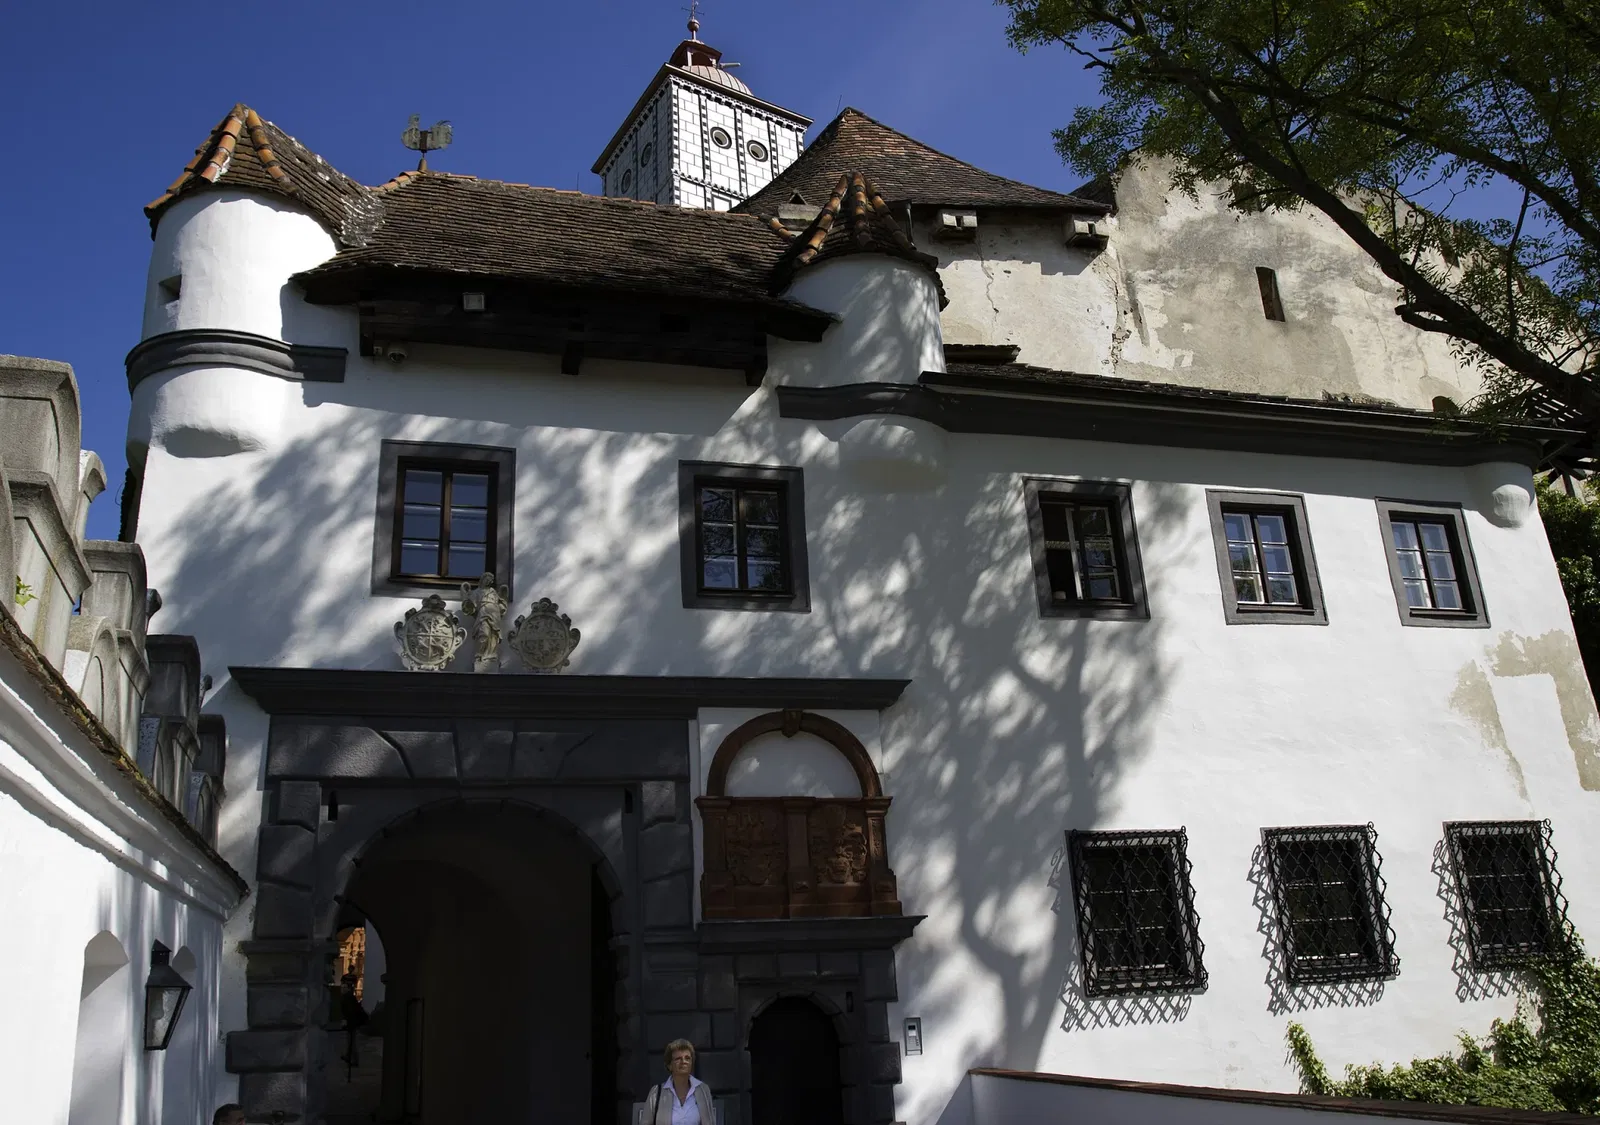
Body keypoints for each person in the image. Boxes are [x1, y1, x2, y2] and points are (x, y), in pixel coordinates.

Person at [641, 1039, 714, 1125]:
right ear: (669, 1065)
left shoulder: (703, 1090)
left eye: (687, 1058)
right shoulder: (656, 1093)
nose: (684, 1062)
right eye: (678, 1059)